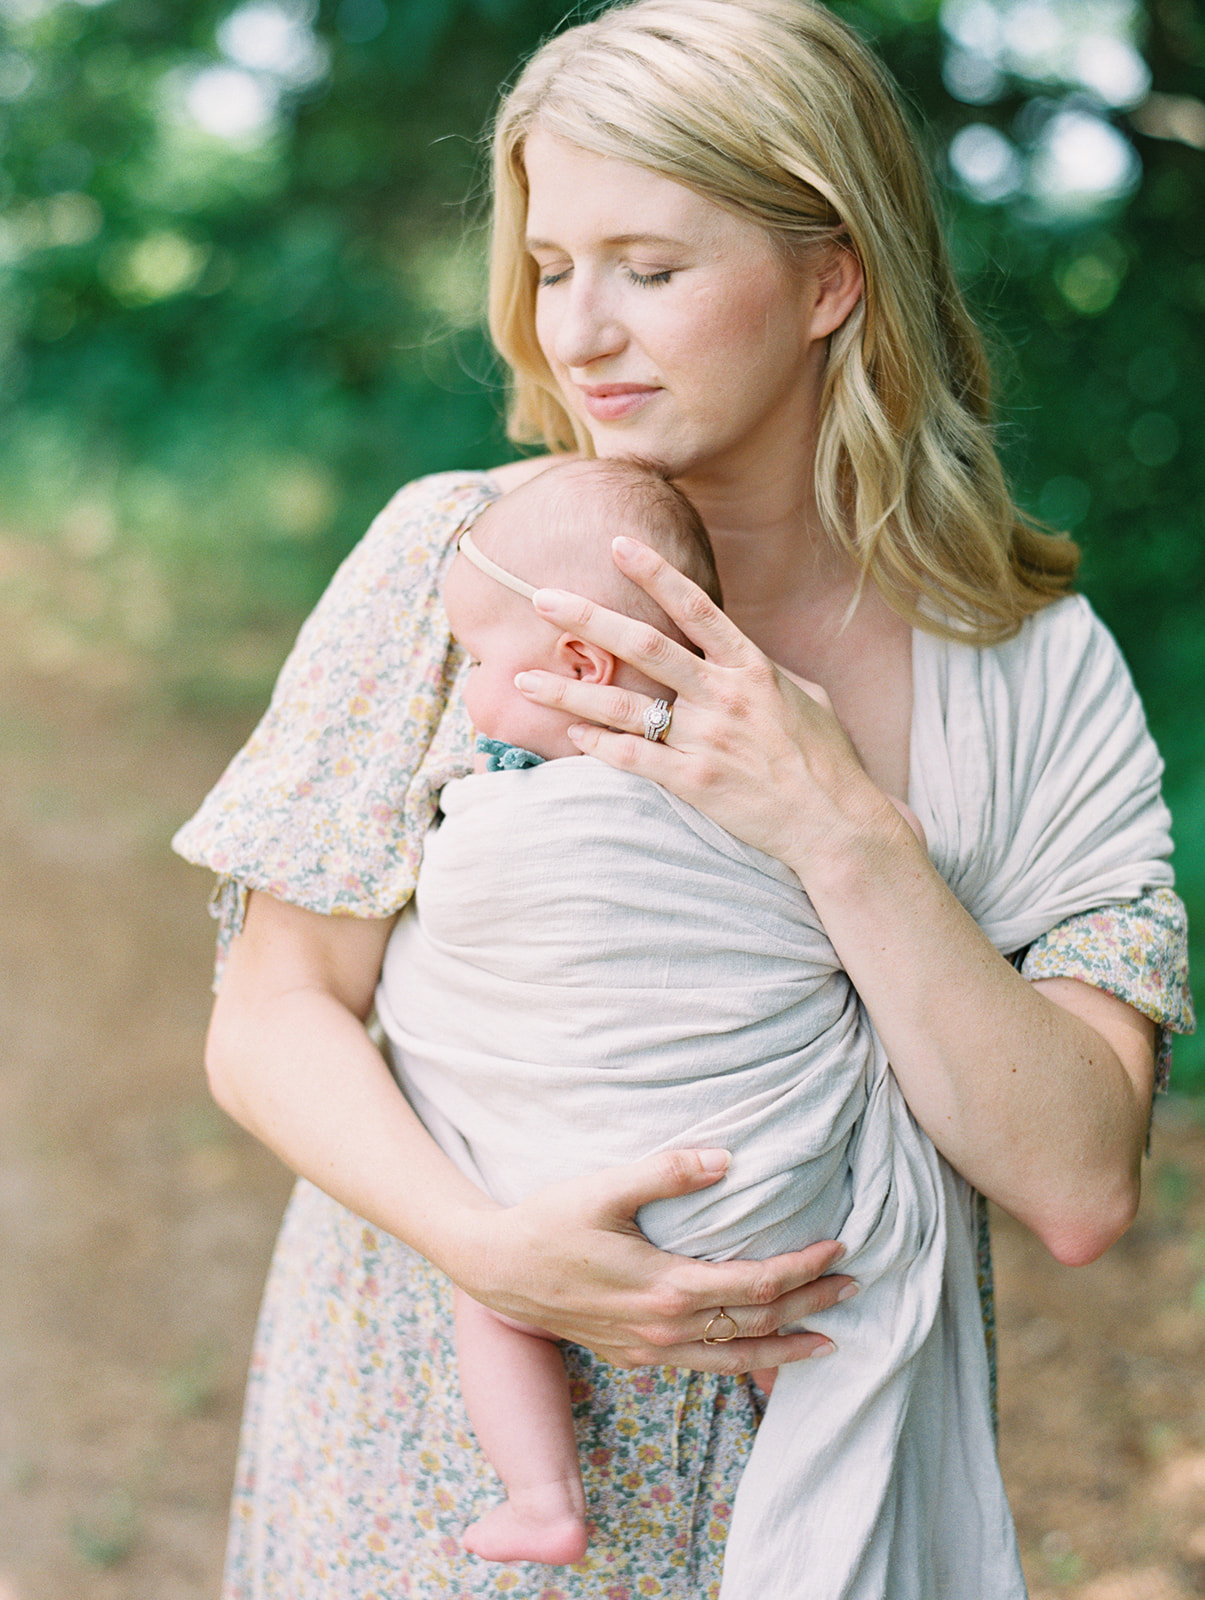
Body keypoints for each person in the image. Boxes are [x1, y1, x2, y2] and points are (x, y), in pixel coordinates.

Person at [174, 2, 1194, 1596]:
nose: (579, 331)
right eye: (554, 266)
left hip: (824, 1488)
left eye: (649, 268)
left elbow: (1075, 1187)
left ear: (829, 278)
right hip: (442, 1463)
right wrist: (485, 1247)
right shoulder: (468, 567)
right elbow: (273, 1009)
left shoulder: (1033, 670)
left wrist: (835, 826)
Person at [418, 457, 1010, 1591]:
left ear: (577, 666)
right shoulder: (753, 764)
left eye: (478, 664)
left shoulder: (508, 799)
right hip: (768, 1186)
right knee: (798, 1332)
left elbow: (455, 909)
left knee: (485, 1289)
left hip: (578, 1194)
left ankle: (543, 1498)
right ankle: (822, 1462)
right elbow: (879, 853)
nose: (466, 693)